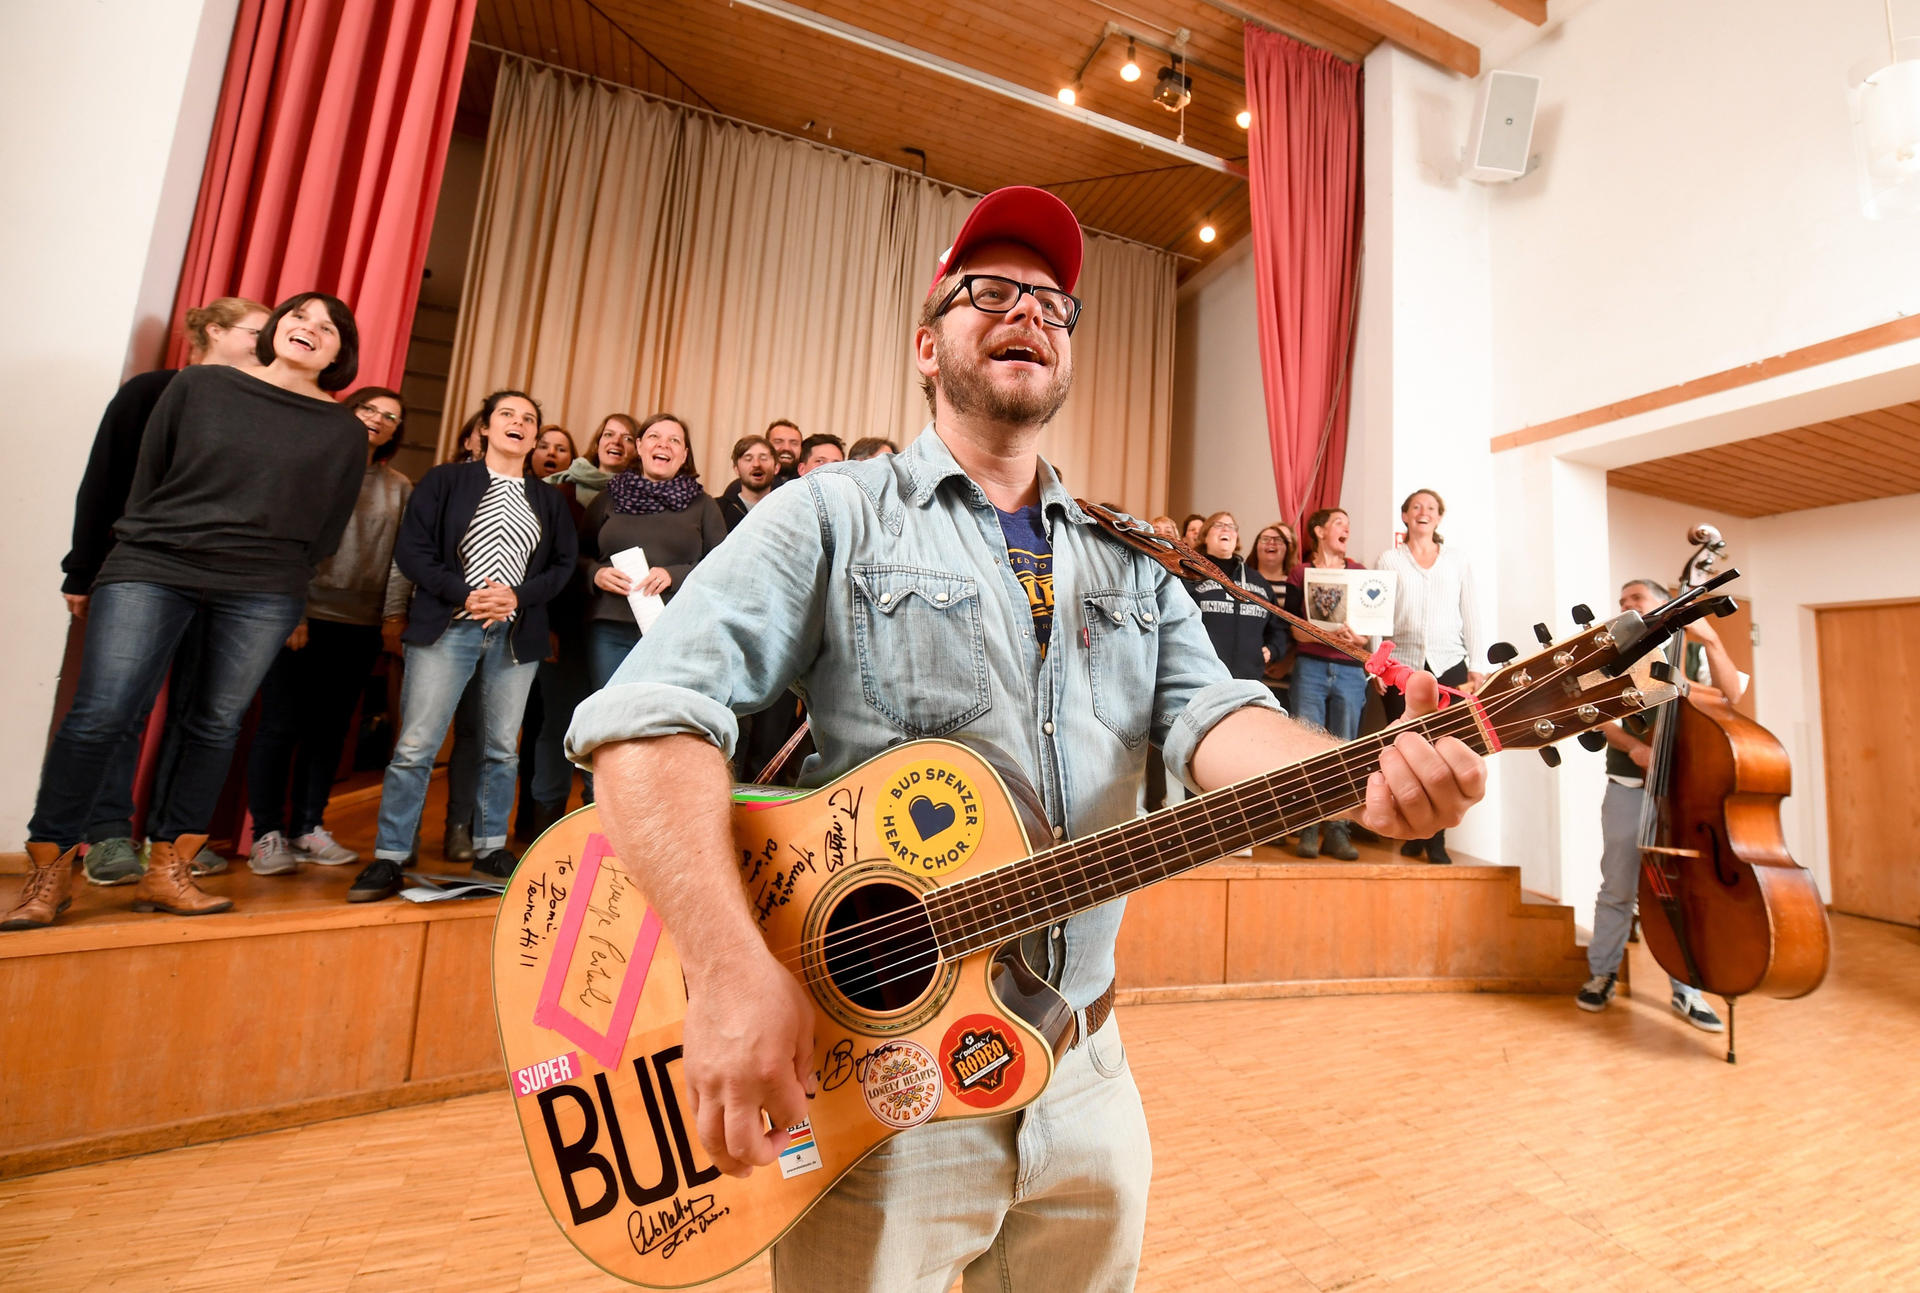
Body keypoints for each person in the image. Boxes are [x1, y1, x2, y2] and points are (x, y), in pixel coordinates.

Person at [562, 186, 1485, 1291]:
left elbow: (1215, 720)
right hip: (873, 1082)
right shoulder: (833, 514)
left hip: (1086, 1077)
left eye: (1052, 304)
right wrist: (724, 970)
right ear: (927, 344)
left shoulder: (1133, 556)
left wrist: (1358, 776)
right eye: (990, 292)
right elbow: (645, 720)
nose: (1028, 314)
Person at [6, 293, 366, 928]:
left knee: (214, 725)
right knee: (101, 715)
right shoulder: (200, 386)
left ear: (341, 354)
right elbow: (150, 478)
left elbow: (327, 526)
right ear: (276, 327)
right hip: (155, 564)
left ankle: (168, 871)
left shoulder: (343, 430)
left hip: (262, 584)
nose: (309, 328)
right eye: (299, 316)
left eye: (328, 328)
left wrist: (275, 567)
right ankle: (49, 874)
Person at [55, 295, 271, 886]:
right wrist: (82, 570)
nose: (267, 342)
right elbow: (104, 480)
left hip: (229, 583)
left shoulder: (264, 409)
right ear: (214, 331)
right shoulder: (150, 391)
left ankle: (169, 843)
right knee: (121, 705)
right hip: (141, 572)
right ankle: (105, 835)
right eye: (256, 331)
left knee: (201, 713)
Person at [347, 390, 578, 903]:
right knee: (416, 747)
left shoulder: (548, 499)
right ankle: (390, 855)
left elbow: (563, 566)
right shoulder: (445, 480)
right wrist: (465, 594)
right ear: (485, 428)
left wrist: (515, 596)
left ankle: (490, 847)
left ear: (534, 437)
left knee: (501, 748)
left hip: (514, 636)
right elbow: (414, 551)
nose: (518, 423)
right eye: (507, 415)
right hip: (447, 627)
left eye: (528, 419)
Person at [245, 387, 413, 874]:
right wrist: (293, 611)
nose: (378, 420)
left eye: (390, 416)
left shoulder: (399, 487)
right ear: (348, 412)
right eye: (369, 409)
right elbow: (288, 543)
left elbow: (401, 560)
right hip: (301, 617)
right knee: (279, 725)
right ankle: (266, 834)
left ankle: (309, 826)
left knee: (330, 730)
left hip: (359, 625)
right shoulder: (310, 467)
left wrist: (391, 617)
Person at [1579, 578, 1743, 1032]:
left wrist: (1711, 639)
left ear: (1667, 604)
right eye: (1622, 601)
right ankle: (1602, 974)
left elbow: (1731, 695)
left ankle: (1687, 990)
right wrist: (1635, 747)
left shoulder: (1691, 649)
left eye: (1637, 598)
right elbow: (1598, 717)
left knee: (1683, 891)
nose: (1626, 605)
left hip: (1685, 789)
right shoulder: (1611, 655)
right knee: (1617, 887)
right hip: (1627, 784)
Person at [1373, 489, 1486, 865]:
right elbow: (1377, 608)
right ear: (1405, 515)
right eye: (1417, 507)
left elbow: (1471, 612)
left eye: (1432, 508)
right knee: (1403, 749)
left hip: (1449, 663)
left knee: (1444, 747)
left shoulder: (1457, 560)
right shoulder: (1389, 559)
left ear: (1439, 518)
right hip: (1401, 665)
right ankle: (1412, 831)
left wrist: (1477, 663)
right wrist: (1377, 663)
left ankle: (1436, 839)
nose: (1424, 512)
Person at [581, 413, 728, 691]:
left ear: (684, 455)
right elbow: (575, 557)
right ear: (639, 446)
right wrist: (595, 574)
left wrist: (675, 575)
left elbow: (722, 566)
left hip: (675, 630)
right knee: (612, 710)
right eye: (654, 437)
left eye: (674, 440)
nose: (663, 444)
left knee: (660, 712)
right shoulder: (608, 498)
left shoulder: (704, 505)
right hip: (610, 630)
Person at [1284, 506, 1369, 860]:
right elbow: (1293, 629)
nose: (1346, 528)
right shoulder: (1300, 573)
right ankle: (1307, 827)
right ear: (1319, 532)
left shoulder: (1360, 573)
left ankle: (1337, 829)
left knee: (1345, 749)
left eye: (1348, 524)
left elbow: (1367, 633)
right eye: (1338, 523)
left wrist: (1358, 639)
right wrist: (1322, 634)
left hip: (1350, 670)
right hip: (1310, 668)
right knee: (1307, 748)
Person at [1185, 512, 1288, 683]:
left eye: (1231, 526)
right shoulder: (1188, 576)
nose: (1226, 529)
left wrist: (1273, 649)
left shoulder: (1258, 582)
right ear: (1205, 536)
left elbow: (1278, 627)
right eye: (1218, 525)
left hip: (1248, 680)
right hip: (1201, 678)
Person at [549, 413, 637, 507]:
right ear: (597, 445)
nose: (616, 441)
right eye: (609, 434)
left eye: (627, 438)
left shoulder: (639, 499)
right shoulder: (562, 490)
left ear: (638, 450)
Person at [716, 434, 779, 532]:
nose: (756, 464)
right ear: (736, 469)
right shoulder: (717, 509)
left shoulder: (787, 510)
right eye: (748, 459)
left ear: (776, 468)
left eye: (763, 458)